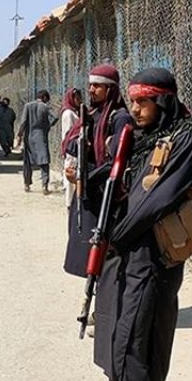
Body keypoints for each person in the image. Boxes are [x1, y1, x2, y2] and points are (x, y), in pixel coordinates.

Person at [93, 68, 192, 381]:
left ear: (165, 102)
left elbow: (154, 201)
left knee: (136, 342)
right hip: (133, 256)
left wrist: (116, 237)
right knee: (133, 336)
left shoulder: (184, 139)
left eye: (144, 102)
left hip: (153, 256)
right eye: (133, 101)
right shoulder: (145, 138)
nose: (135, 109)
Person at [65, 64, 133, 277]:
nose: (92, 90)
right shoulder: (93, 114)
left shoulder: (119, 117)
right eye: (91, 85)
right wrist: (80, 145)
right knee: (85, 250)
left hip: (106, 194)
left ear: (110, 89)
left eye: (97, 86)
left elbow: (117, 162)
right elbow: (71, 143)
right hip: (88, 191)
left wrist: (84, 177)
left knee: (103, 252)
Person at [16, 90, 54, 193]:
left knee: (27, 161)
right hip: (41, 136)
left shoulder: (28, 106)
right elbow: (54, 117)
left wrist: (19, 135)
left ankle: (27, 184)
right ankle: (44, 186)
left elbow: (23, 122)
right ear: (45, 98)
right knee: (44, 160)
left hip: (29, 137)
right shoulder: (45, 107)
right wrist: (47, 126)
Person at [60, 88, 84, 207]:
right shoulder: (68, 113)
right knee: (71, 174)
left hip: (75, 149)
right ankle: (69, 203)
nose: (79, 100)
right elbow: (69, 134)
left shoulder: (74, 112)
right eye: (77, 97)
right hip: (72, 150)